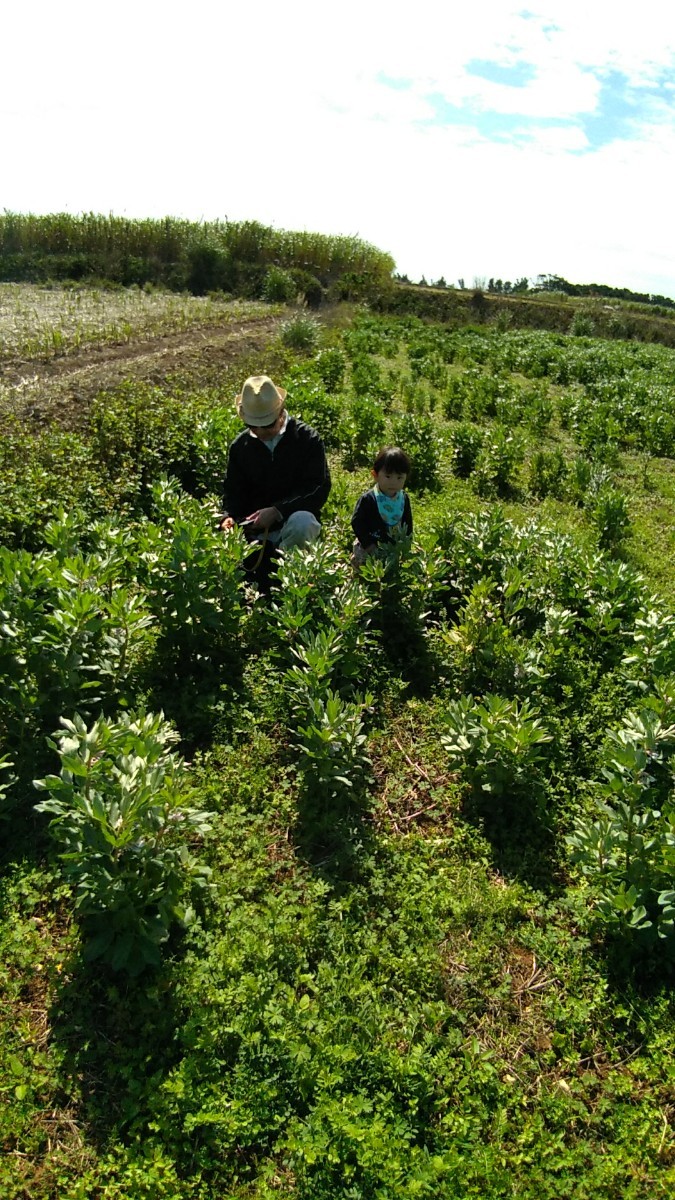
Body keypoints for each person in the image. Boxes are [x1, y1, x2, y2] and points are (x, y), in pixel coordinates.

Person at [220, 375, 331, 581]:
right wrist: (228, 517)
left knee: (303, 522)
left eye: (268, 425)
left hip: (290, 525)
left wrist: (278, 511)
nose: (261, 432)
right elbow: (232, 491)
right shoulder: (240, 447)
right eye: (253, 426)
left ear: (281, 413)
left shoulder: (307, 440)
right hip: (253, 531)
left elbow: (318, 487)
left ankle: (291, 580)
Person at [351, 446, 413, 566]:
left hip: (392, 547)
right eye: (388, 476)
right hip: (369, 545)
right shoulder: (368, 499)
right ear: (375, 475)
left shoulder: (403, 499)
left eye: (399, 477)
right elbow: (357, 522)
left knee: (394, 569)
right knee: (364, 566)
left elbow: (407, 524)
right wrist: (368, 544)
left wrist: (406, 544)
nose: (394, 482)